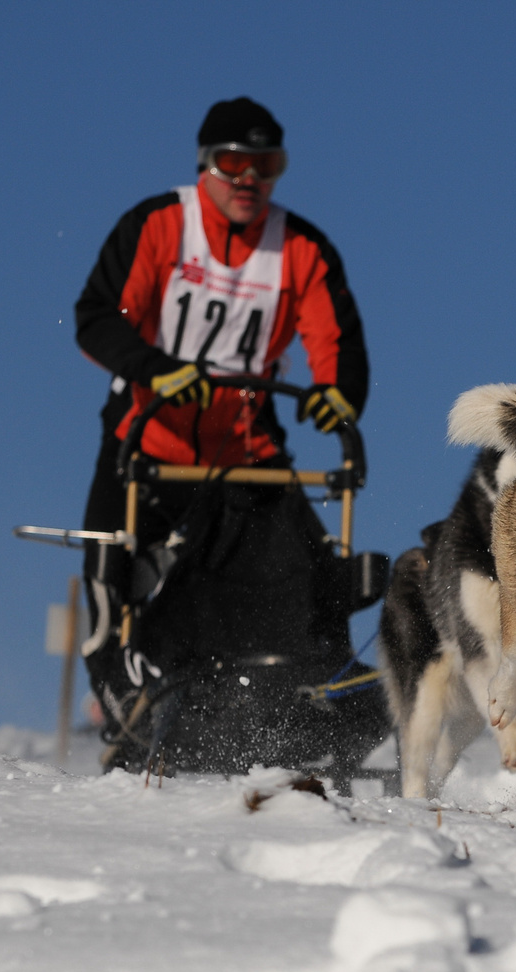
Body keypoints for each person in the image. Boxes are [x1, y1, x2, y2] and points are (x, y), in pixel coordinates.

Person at [73, 97, 369, 721]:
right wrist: (157, 370)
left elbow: (336, 341)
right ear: (207, 163)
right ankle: (128, 682)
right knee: (112, 567)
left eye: (267, 164)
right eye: (236, 162)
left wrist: (338, 395)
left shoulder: (300, 247)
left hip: (245, 452)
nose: (250, 180)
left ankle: (316, 686)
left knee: (301, 569)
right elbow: (98, 318)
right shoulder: (158, 225)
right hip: (147, 443)